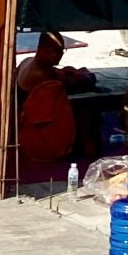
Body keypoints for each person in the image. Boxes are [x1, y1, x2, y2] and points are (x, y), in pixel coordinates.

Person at [15, 31, 80, 168]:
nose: (60, 55)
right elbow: (76, 84)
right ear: (42, 49)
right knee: (86, 113)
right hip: (36, 132)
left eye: (62, 51)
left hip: (22, 124)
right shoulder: (45, 76)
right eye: (56, 51)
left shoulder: (26, 62)